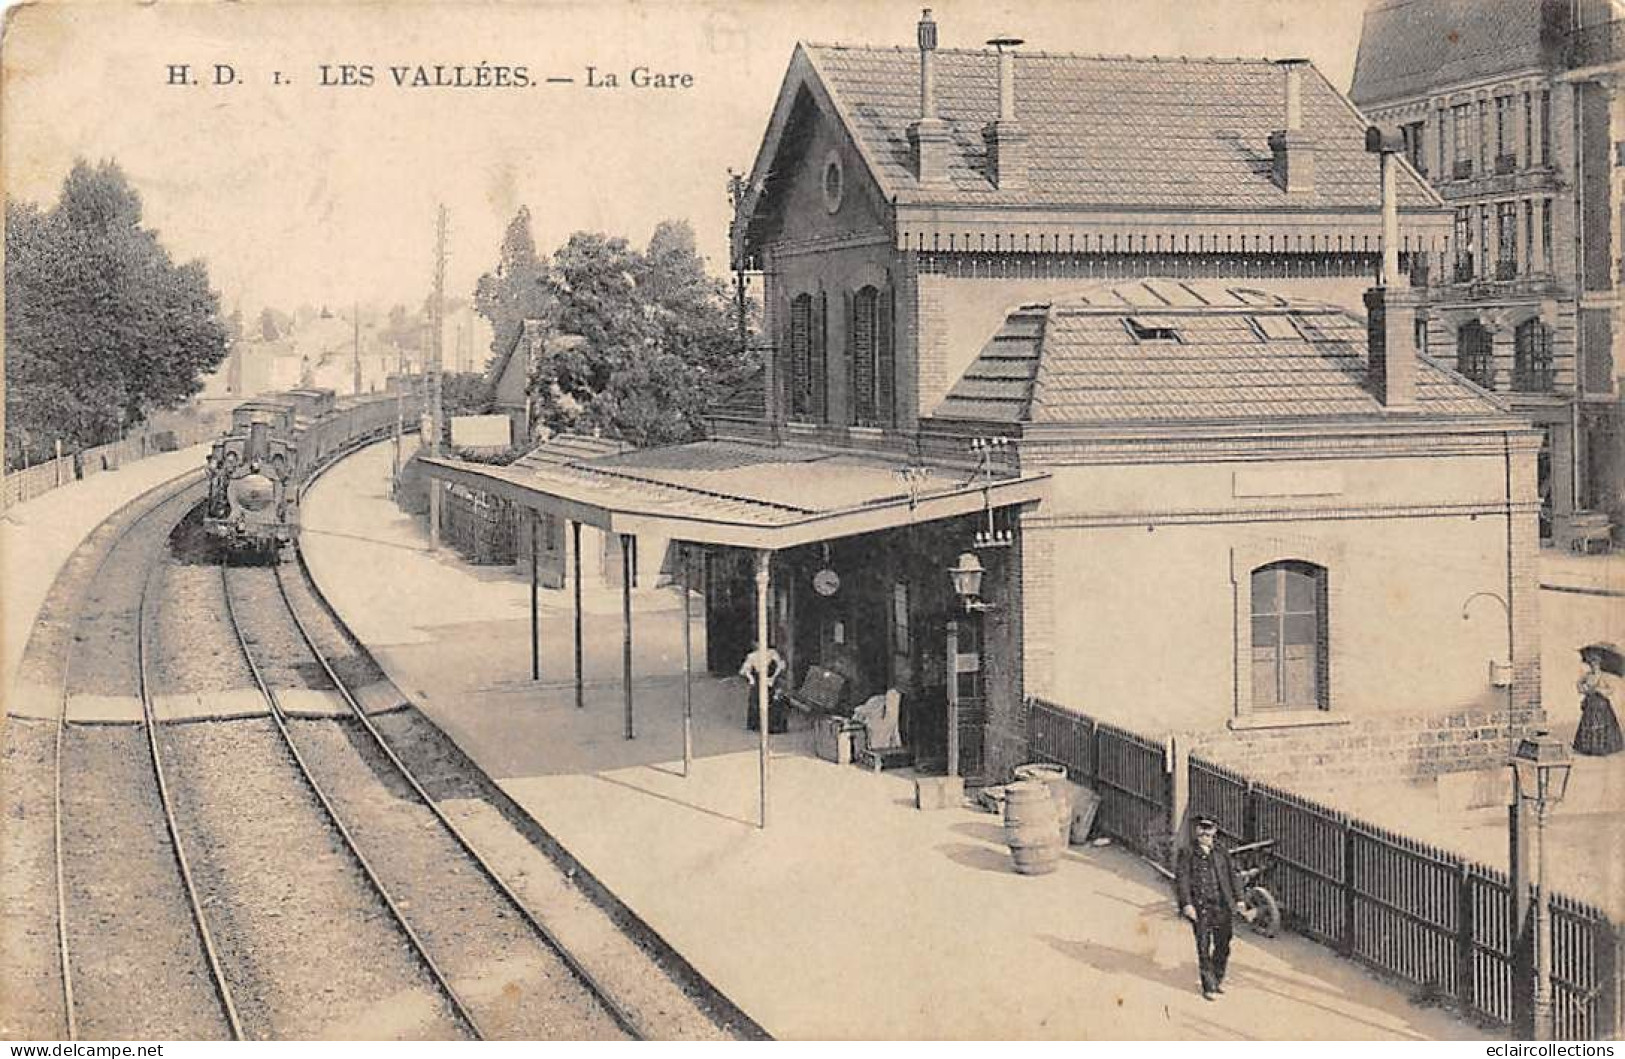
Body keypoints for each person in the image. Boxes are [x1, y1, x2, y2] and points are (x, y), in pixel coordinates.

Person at [1174, 816, 1247, 1001]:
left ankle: (1217, 978)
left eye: (1209, 829)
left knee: (1223, 945)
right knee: (1203, 946)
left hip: (1222, 906)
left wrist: (1239, 899)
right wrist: (1187, 904)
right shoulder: (1187, 852)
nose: (1205, 833)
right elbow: (1181, 880)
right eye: (1202, 829)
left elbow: (1233, 876)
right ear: (1196, 830)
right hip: (1201, 908)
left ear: (1215, 831)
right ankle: (1208, 986)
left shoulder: (1221, 852)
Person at [1574, 643, 1624, 756]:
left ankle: (1602, 749)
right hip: (1590, 705)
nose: (1593, 666)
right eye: (1591, 663)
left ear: (1599, 664)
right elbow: (1579, 686)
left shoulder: (1603, 677)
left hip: (1602, 706)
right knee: (1588, 724)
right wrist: (1585, 689)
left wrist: (1599, 690)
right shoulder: (1587, 676)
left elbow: (1610, 690)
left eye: (1595, 663)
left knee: (1602, 725)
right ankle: (1588, 748)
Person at [738, 645, 787, 733]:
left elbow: (780, 666)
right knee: (755, 699)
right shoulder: (752, 656)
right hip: (758, 679)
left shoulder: (772, 653)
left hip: (771, 679)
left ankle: (774, 724)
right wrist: (751, 679)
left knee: (776, 699)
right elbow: (744, 671)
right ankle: (755, 723)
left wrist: (773, 677)